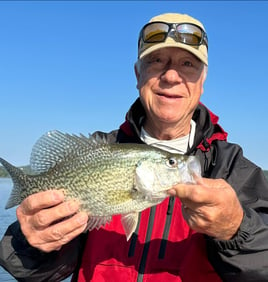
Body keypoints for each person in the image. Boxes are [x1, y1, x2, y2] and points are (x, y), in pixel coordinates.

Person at [1, 12, 268, 282]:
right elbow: (35, 274)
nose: (171, 76)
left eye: (187, 63)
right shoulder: (99, 149)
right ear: (138, 74)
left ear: (202, 80)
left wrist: (237, 230)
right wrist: (33, 242)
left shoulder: (234, 168)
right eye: (156, 61)